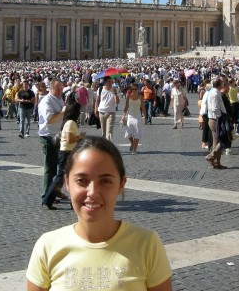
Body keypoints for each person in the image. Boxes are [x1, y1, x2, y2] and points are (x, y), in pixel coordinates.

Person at [26, 136, 173, 291]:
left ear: (121, 184)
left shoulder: (147, 244)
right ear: (67, 183)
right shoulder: (47, 247)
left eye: (105, 181)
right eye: (81, 180)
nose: (93, 192)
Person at [42, 97, 84, 209]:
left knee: (68, 177)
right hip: (67, 152)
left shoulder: (69, 122)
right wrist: (80, 137)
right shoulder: (70, 123)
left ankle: (71, 201)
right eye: (78, 111)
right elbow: (70, 139)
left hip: (68, 152)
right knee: (60, 177)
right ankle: (48, 198)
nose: (80, 112)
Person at [38, 79, 66, 200]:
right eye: (58, 89)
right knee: (50, 167)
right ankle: (47, 194)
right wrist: (63, 112)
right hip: (48, 136)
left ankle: (55, 190)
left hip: (58, 136)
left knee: (61, 166)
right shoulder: (46, 101)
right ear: (51, 89)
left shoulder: (59, 98)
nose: (60, 91)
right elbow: (50, 119)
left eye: (61, 89)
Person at [205, 78, 229, 169]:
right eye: (222, 83)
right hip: (216, 119)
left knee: (216, 141)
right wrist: (222, 114)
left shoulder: (211, 92)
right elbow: (214, 107)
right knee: (223, 139)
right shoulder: (215, 93)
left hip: (212, 118)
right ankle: (211, 156)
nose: (224, 84)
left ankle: (216, 163)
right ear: (219, 84)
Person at [122, 82, 146, 154]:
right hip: (130, 116)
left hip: (138, 116)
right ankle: (132, 143)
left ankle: (134, 149)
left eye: (135, 89)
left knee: (137, 133)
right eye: (133, 89)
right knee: (128, 132)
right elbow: (126, 106)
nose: (134, 90)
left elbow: (143, 107)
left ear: (138, 89)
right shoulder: (128, 96)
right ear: (131, 89)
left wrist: (145, 116)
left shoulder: (141, 97)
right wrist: (124, 115)